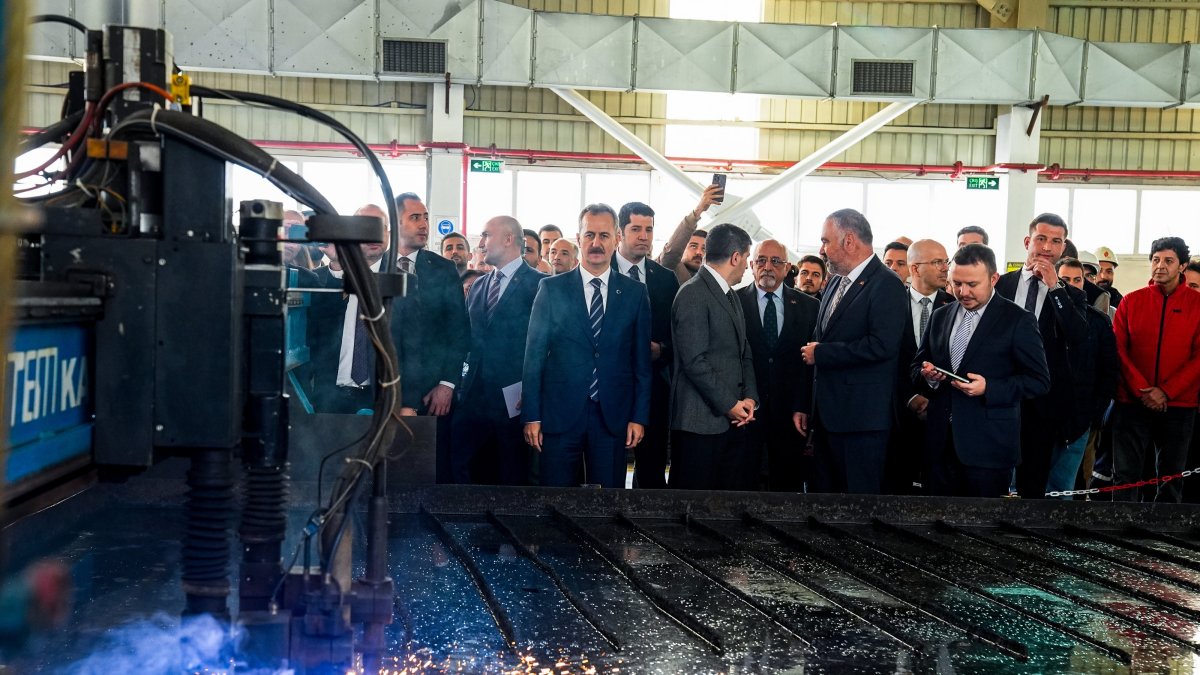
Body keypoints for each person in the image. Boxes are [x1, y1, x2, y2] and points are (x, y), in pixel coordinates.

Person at [523, 204, 652, 489]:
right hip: (559, 414)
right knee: (556, 499)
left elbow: (641, 362)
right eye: (589, 235)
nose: (596, 243)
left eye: (604, 235)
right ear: (578, 238)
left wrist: (638, 417)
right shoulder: (551, 289)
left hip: (612, 417)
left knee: (606, 503)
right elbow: (533, 357)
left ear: (617, 238)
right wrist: (532, 414)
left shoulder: (635, 293)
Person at [913, 244, 1050, 497]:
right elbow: (917, 365)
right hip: (938, 446)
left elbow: (1039, 381)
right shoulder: (940, 315)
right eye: (956, 283)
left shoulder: (1018, 319)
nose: (963, 292)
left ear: (994, 279)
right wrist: (928, 377)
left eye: (972, 284)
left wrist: (989, 388)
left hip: (988, 449)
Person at [801, 208, 907, 494]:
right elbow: (821, 336)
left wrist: (823, 354)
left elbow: (882, 346)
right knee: (824, 501)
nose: (821, 250)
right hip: (826, 419)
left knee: (856, 505)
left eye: (825, 241)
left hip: (861, 424)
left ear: (848, 241)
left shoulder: (887, 284)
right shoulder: (836, 280)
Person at [994, 213, 1089, 499]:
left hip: (1043, 401)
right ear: (1027, 241)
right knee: (993, 476)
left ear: (1063, 247)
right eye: (1041, 239)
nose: (1047, 247)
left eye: (1056, 241)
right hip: (999, 392)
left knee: (1033, 483)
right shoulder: (1000, 285)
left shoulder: (1071, 294)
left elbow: (1077, 335)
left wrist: (1054, 287)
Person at [451, 216, 546, 485]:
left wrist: (533, 393)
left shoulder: (541, 285)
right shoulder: (479, 285)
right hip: (474, 398)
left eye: (486, 235)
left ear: (508, 239)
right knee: (463, 467)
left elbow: (547, 347)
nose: (480, 243)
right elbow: (466, 339)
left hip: (515, 400)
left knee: (511, 474)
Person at [668, 223, 759, 490]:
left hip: (732, 422)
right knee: (693, 504)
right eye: (747, 258)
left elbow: (744, 351)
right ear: (735, 257)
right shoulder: (693, 293)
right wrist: (730, 404)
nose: (747, 266)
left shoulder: (730, 295)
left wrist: (750, 398)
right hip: (699, 424)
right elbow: (695, 361)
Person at [389, 194, 471, 487]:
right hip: (383, 391)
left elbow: (458, 331)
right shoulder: (376, 266)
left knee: (431, 474)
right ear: (396, 222)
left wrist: (447, 384)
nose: (424, 224)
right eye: (415, 218)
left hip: (432, 394)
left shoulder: (442, 268)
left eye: (425, 217)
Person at [1110, 237, 1200, 503]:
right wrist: (1143, 391)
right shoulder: (1131, 301)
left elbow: (1198, 358)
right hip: (1132, 402)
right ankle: (1121, 526)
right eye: (1156, 259)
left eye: (1168, 261)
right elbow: (1118, 349)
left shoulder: (1197, 304)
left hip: (1179, 404)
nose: (1160, 266)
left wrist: (1166, 392)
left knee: (1171, 478)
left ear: (1182, 266)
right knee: (1125, 476)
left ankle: (1165, 529)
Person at [738, 239, 818, 491]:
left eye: (775, 261)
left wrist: (803, 405)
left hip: (791, 413)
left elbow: (811, 367)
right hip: (745, 411)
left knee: (787, 484)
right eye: (761, 260)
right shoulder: (734, 301)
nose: (767, 267)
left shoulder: (810, 307)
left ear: (787, 267)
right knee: (744, 481)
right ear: (752, 265)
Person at [614, 201, 680, 489]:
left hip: (653, 387)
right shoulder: (599, 271)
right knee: (607, 468)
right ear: (620, 232)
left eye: (649, 230)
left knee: (652, 470)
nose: (644, 236)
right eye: (636, 229)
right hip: (607, 387)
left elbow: (678, 336)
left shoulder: (665, 279)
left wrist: (661, 349)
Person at [303, 204, 392, 414]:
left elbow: (413, 347)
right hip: (330, 396)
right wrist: (337, 263)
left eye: (380, 227)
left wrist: (409, 402)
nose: (373, 235)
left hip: (381, 397)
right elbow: (317, 329)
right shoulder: (320, 278)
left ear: (388, 234)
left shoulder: (402, 281)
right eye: (365, 227)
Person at [1045, 257, 1118, 498]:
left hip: (1080, 419)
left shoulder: (1098, 321)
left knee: (1064, 489)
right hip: (1043, 415)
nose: (1072, 285)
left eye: (1078, 280)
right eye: (1065, 279)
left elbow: (1108, 371)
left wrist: (1094, 413)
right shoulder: (1040, 317)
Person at [891, 239, 955, 494]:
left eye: (946, 261)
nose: (945, 268)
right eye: (937, 262)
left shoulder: (956, 306)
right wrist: (910, 397)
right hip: (897, 414)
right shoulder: (890, 305)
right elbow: (886, 360)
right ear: (915, 268)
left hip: (942, 416)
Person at [658, 183, 723, 284]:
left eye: (704, 249)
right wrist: (698, 210)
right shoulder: (671, 267)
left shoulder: (710, 280)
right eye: (693, 246)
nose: (699, 252)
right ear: (682, 248)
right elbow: (671, 253)